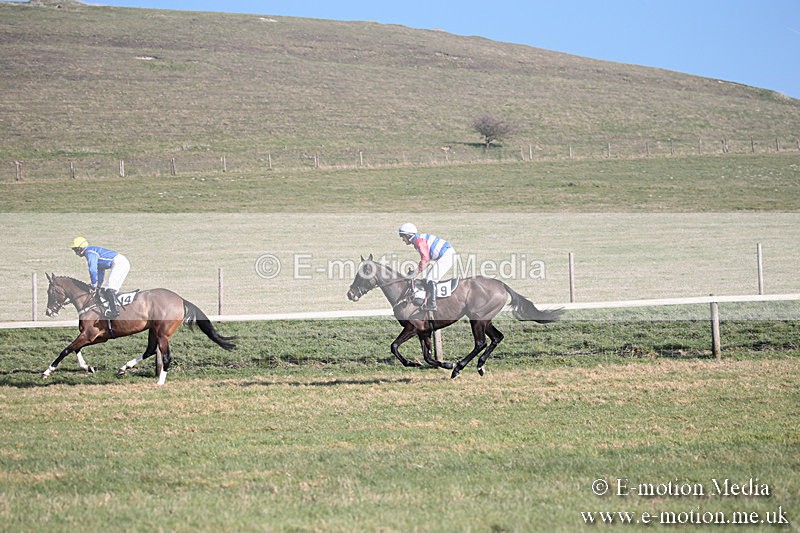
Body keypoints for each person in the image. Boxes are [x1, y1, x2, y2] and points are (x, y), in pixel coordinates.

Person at [398, 223, 456, 311]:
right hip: (445, 254)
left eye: (402, 236)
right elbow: (427, 261)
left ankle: (432, 305)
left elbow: (425, 259)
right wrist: (416, 272)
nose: (402, 239)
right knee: (427, 279)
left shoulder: (418, 241)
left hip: (447, 255)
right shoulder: (417, 240)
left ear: (408, 235)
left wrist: (415, 272)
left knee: (431, 279)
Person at [70, 237, 130, 318]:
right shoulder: (92, 252)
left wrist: (94, 285)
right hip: (122, 262)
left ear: (80, 248)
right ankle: (114, 309)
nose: (76, 253)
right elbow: (100, 272)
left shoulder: (89, 252)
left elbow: (92, 270)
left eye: (75, 250)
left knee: (109, 289)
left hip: (119, 262)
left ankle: (114, 312)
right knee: (113, 290)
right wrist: (97, 286)